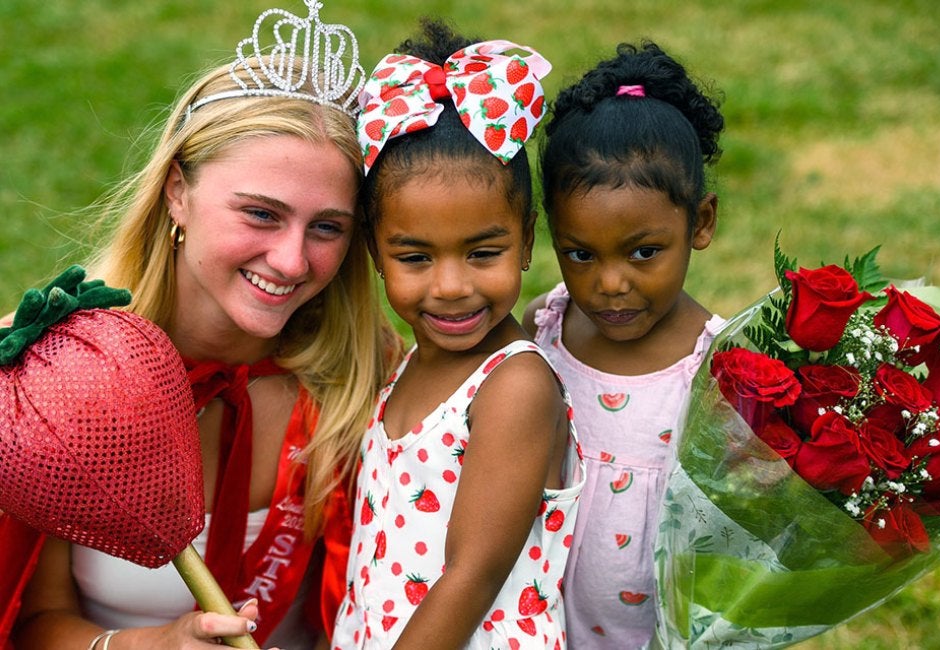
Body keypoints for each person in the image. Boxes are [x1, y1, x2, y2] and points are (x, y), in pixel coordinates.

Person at [5, 2, 400, 648]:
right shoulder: (70, 378)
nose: (293, 260)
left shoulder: (360, 374)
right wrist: (150, 646)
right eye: (262, 214)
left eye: (327, 226)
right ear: (177, 191)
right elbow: (34, 621)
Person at [330, 20, 586, 649]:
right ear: (374, 250)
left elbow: (470, 575)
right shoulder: (413, 361)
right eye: (415, 258)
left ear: (525, 240)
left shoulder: (515, 386)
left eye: (482, 253)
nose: (449, 286)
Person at [522, 41, 726, 648]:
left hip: (654, 627)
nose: (610, 284)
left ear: (702, 223)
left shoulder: (716, 365)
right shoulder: (546, 324)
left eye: (644, 252)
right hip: (537, 612)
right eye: (580, 254)